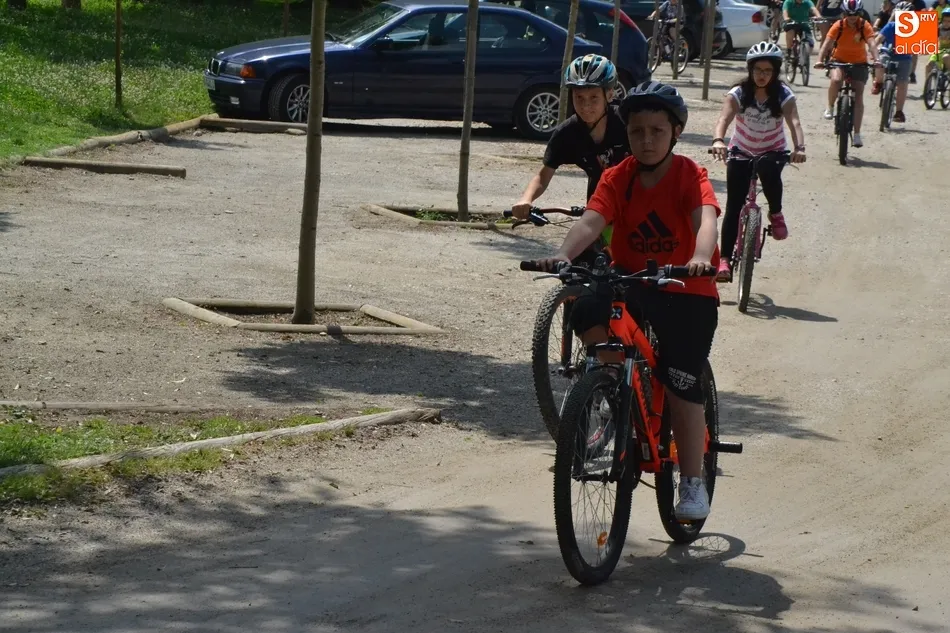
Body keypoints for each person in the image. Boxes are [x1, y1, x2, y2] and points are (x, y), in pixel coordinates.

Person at [530, 81, 721, 522]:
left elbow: (706, 219)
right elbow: (592, 221)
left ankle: (692, 482)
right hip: (631, 281)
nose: (646, 140)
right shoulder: (619, 176)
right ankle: (614, 387)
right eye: (637, 131)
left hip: (685, 289)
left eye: (657, 131)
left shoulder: (689, 174)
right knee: (586, 310)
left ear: (675, 132)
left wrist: (699, 257)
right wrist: (563, 255)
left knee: (681, 381)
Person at [511, 54, 630, 256]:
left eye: (594, 98)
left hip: (637, 209)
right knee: (578, 263)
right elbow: (543, 175)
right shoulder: (568, 133)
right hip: (599, 211)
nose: (586, 106)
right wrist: (526, 199)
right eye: (579, 98)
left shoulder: (628, 124)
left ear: (609, 95)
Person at [710, 42, 806, 282]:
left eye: (768, 71)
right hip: (741, 149)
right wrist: (719, 140)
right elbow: (724, 119)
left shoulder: (783, 94)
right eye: (758, 70)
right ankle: (724, 260)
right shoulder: (739, 93)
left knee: (769, 173)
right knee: (734, 205)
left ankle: (776, 212)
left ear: (775, 72)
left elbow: (794, 122)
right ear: (750, 70)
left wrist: (799, 148)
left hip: (772, 149)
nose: (762, 75)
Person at [815, 0, 879, 148]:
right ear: (844, 14)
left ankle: (857, 134)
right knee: (836, 80)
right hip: (839, 60)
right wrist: (819, 60)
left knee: (858, 94)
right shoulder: (838, 25)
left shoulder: (864, 25)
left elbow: (872, 44)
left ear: (859, 13)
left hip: (859, 63)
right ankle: (830, 107)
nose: (852, 17)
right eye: (849, 14)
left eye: (855, 14)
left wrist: (877, 59)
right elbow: (826, 44)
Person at [872, 2, 914, 123]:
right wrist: (873, 50)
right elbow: (879, 39)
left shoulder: (915, 28)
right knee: (879, 62)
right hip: (888, 53)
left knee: (903, 83)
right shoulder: (891, 26)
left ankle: (899, 112)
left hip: (904, 57)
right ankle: (878, 82)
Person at [924, 8, 950, 82]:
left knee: (946, 57)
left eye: (949, 21)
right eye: (944, 21)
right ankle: (927, 87)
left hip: (948, 52)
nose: (946, 23)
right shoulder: (938, 28)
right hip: (939, 50)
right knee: (928, 65)